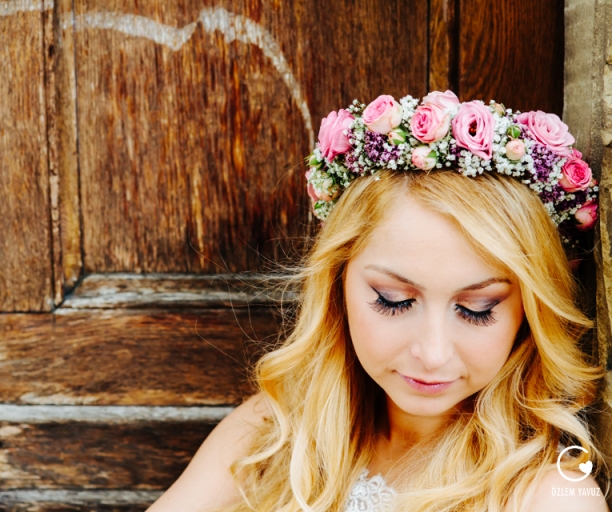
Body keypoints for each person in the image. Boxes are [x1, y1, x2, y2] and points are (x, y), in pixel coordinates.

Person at [147, 92, 609, 511]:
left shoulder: (548, 497)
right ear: (337, 284)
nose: (432, 354)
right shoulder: (273, 433)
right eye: (393, 301)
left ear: (528, 310)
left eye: (477, 309)